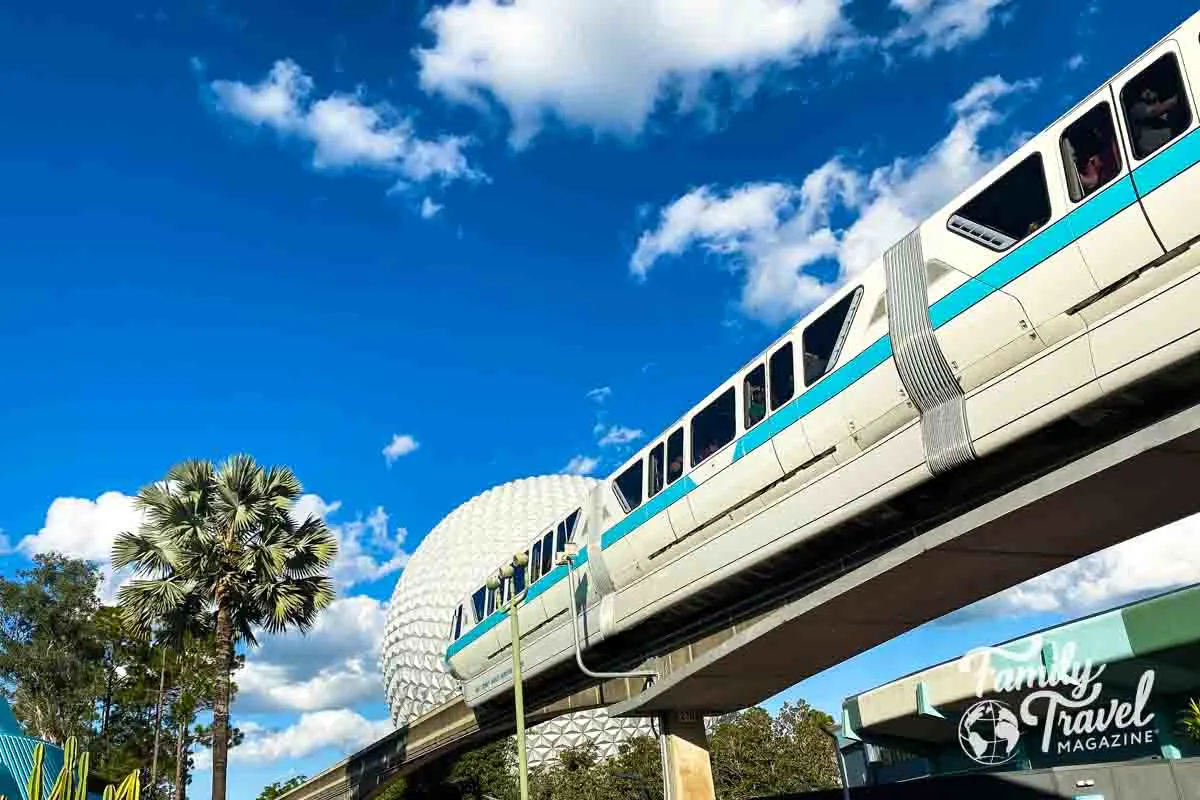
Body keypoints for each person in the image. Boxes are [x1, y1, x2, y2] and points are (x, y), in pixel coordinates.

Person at [1129, 86, 1180, 156]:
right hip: (1150, 146)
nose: (1148, 91)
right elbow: (1156, 111)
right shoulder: (1137, 108)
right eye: (1144, 91)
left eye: (1150, 89)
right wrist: (1177, 98)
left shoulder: (1160, 104)